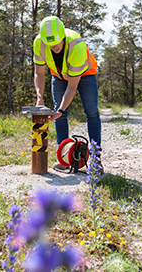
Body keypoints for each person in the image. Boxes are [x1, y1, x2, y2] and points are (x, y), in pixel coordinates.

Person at [33, 16, 102, 171]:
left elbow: (72, 87)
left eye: (56, 42)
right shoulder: (39, 43)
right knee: (60, 116)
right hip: (59, 76)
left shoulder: (76, 44)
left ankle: (96, 160)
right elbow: (39, 73)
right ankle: (64, 159)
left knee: (91, 112)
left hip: (85, 74)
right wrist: (40, 98)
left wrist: (60, 110)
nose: (54, 47)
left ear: (63, 35)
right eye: (49, 44)